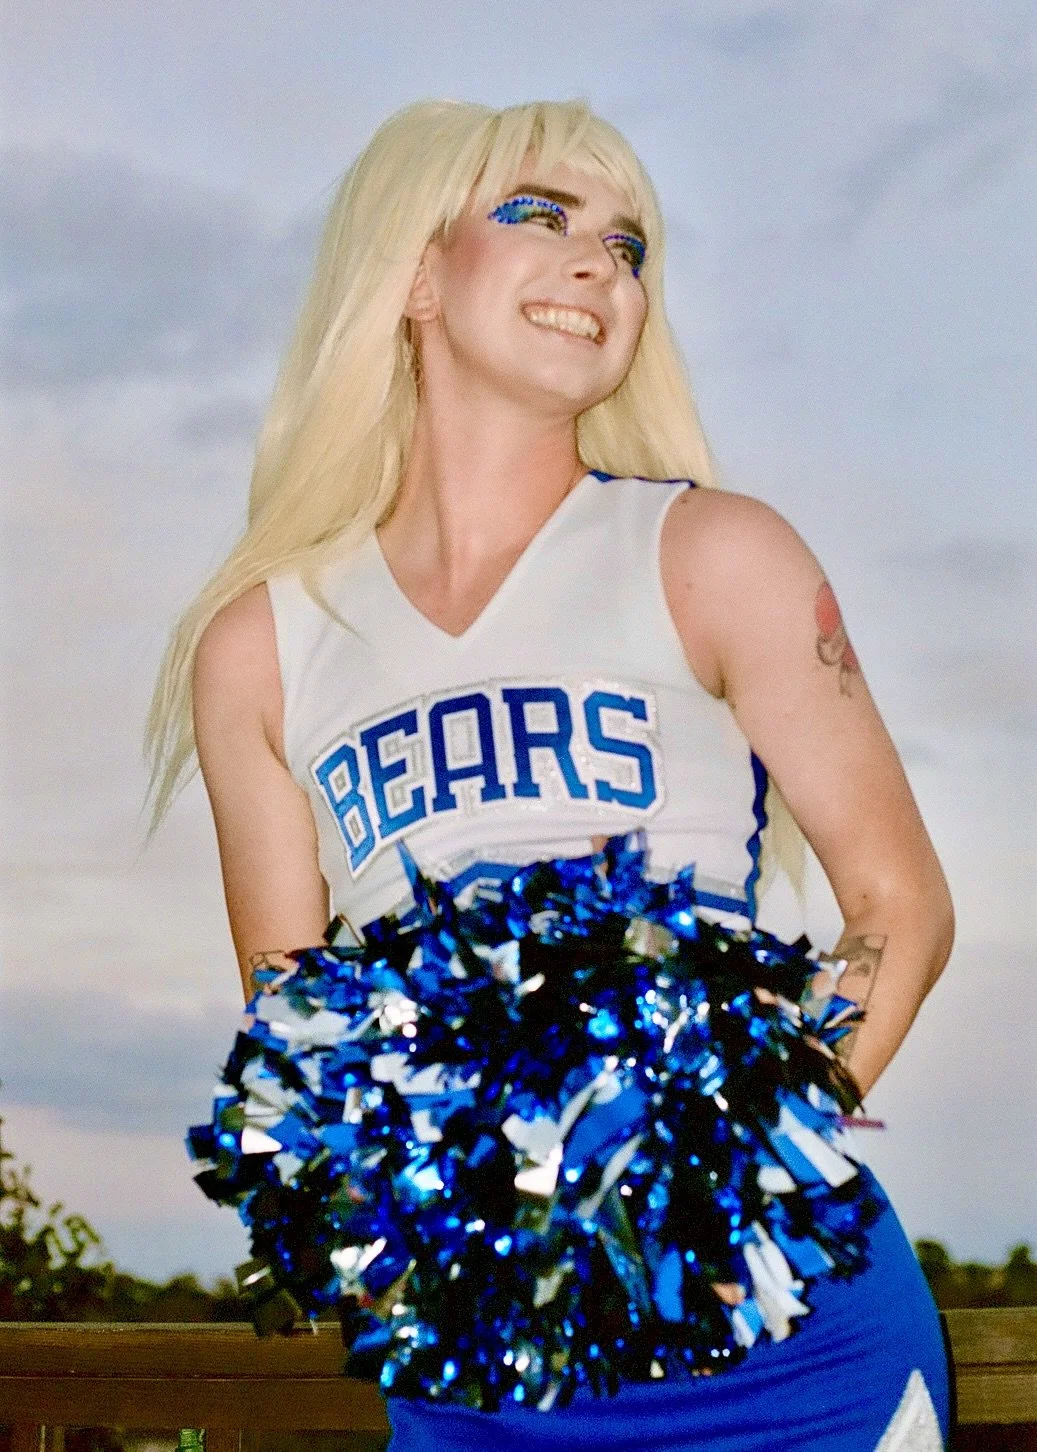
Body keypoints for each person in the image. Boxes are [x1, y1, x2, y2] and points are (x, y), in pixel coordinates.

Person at [148, 99, 955, 1450]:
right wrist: (423, 1262)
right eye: (541, 215)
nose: (601, 264)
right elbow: (293, 1025)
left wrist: (717, 1184)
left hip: (786, 1344)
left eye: (629, 246)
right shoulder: (263, 646)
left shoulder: (714, 554)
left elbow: (900, 910)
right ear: (414, 274)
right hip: (489, 1368)